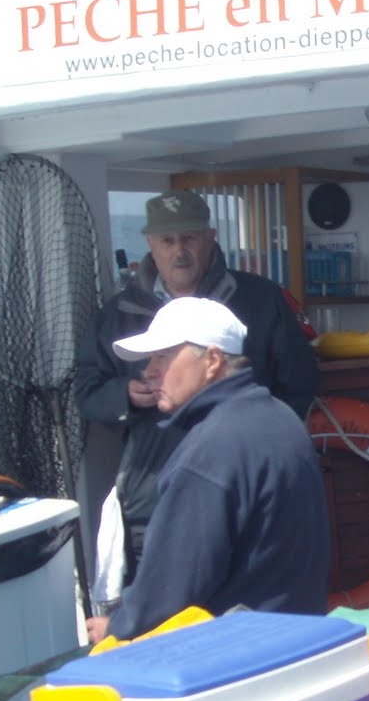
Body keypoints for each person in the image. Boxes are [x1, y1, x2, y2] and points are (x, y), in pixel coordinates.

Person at [74, 189, 319, 584]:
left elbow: (300, 382)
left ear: (211, 237)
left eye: (189, 238)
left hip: (243, 488)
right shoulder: (118, 314)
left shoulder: (259, 299)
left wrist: (262, 448)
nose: (179, 251)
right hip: (151, 492)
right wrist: (126, 396)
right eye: (167, 241)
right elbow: (86, 392)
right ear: (150, 244)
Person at [83, 297, 329, 644]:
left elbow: (166, 597)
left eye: (163, 356)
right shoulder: (278, 418)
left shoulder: (208, 454)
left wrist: (116, 627)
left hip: (238, 661)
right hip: (295, 643)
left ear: (212, 360)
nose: (149, 370)